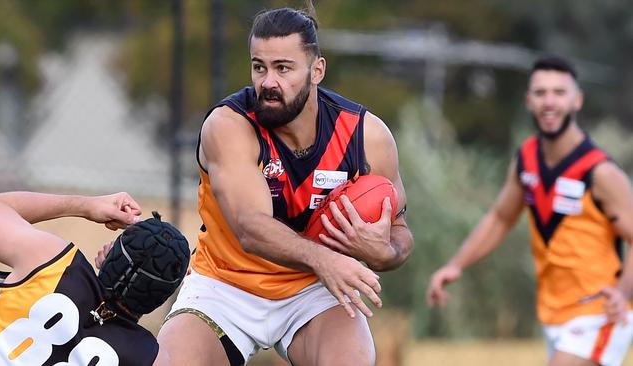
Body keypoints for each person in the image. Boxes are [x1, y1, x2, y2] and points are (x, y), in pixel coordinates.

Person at [157, 4, 414, 366]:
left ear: (317, 70)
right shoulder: (229, 126)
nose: (268, 83)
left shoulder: (365, 136)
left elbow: (400, 229)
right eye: (259, 67)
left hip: (311, 290)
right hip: (226, 285)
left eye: (283, 68)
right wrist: (325, 259)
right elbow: (250, 227)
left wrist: (387, 253)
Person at [426, 56, 633, 366]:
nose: (549, 101)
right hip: (553, 312)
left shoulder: (600, 171)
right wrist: (456, 265)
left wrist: (623, 292)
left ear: (577, 100)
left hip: (598, 311)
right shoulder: (527, 158)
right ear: (528, 100)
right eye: (540, 93)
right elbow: (500, 217)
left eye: (559, 93)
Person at [0, 191, 190, 365]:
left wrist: (87, 206)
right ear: (163, 296)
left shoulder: (52, 261)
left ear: (110, 253)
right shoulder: (150, 358)